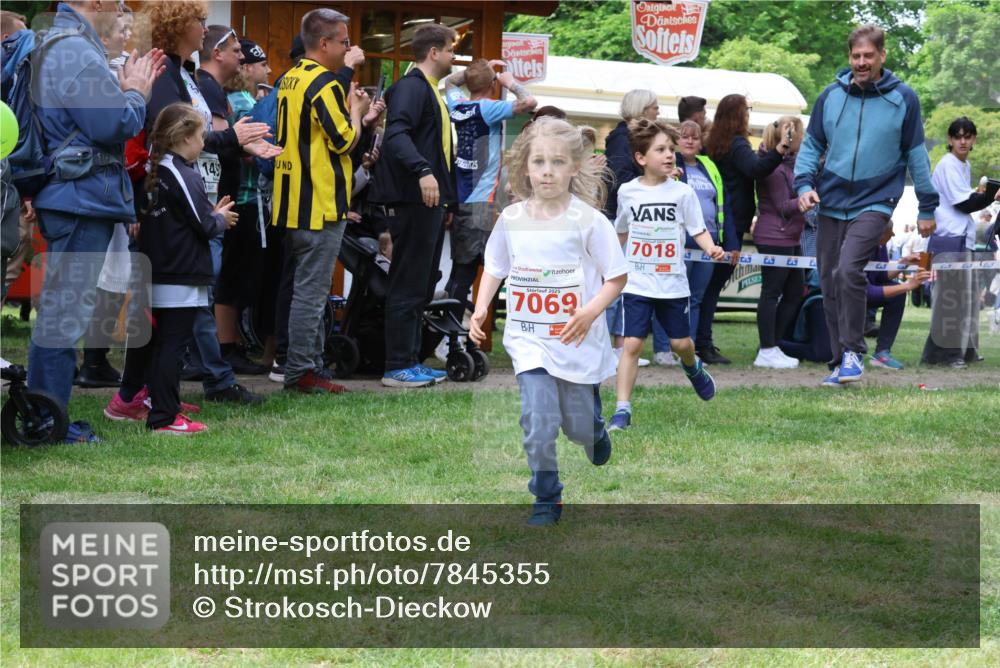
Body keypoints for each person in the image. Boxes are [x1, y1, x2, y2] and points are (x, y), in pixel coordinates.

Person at [468, 118, 627, 526]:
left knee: (576, 430)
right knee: (537, 420)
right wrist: (482, 307)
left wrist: (590, 311)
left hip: (575, 341)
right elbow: (495, 266)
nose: (547, 170)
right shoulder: (513, 218)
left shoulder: (590, 221)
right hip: (529, 341)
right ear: (525, 168)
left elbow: (616, 277)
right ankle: (546, 495)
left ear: (575, 166)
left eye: (557, 162)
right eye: (538, 162)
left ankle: (594, 431)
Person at [26, 0, 166, 443]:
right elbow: (114, 123)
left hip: (78, 195)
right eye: (120, 2)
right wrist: (135, 93)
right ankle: (47, 421)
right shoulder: (74, 49)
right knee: (65, 314)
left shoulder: (68, 44)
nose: (123, 10)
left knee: (64, 311)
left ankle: (47, 415)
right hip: (79, 198)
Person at [143, 1, 275, 404]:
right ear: (179, 25)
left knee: (197, 296)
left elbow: (196, 138)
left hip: (197, 195)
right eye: (200, 22)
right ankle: (192, 385)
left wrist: (235, 139)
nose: (205, 28)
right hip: (181, 197)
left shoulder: (185, 74)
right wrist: (233, 139)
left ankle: (180, 385)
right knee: (192, 295)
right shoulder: (168, 73)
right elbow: (170, 138)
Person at [795, 25, 940, 385]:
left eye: (868, 56)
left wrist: (926, 206)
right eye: (856, 56)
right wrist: (803, 185)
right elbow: (812, 145)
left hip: (876, 200)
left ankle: (853, 352)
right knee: (827, 280)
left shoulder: (903, 98)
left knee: (848, 270)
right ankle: (837, 361)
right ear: (850, 58)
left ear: (882, 56)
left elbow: (916, 154)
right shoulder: (830, 96)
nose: (862, 63)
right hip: (830, 201)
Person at [106, 103, 236, 433]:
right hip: (180, 272)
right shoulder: (182, 174)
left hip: (162, 270)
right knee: (172, 346)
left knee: (158, 342)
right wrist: (220, 218)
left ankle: (145, 401)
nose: (204, 143)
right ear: (183, 137)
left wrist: (211, 215)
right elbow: (205, 226)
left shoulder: (158, 171)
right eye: (201, 136)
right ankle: (164, 416)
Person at [271, 7, 369, 394]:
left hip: (291, 199)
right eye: (344, 42)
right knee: (311, 295)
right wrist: (357, 112)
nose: (348, 48)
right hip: (321, 202)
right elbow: (344, 139)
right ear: (324, 43)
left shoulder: (290, 78)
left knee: (301, 289)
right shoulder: (324, 83)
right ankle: (300, 372)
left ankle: (306, 366)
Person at [609, 119, 723, 432]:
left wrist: (711, 248)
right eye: (660, 149)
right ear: (641, 158)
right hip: (638, 282)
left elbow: (697, 228)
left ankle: (693, 366)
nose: (669, 155)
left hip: (672, 283)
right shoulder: (628, 192)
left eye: (670, 149)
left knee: (680, 343)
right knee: (631, 344)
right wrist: (603, 260)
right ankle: (622, 410)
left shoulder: (683, 193)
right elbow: (620, 231)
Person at [369, 23, 457, 388]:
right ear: (433, 52)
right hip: (411, 200)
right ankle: (396, 366)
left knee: (421, 283)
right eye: (451, 49)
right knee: (407, 283)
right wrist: (422, 170)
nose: (455, 55)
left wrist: (446, 196)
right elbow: (396, 135)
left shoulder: (431, 89)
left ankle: (410, 360)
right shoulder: (411, 87)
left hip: (431, 203)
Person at [441, 58, 535, 324]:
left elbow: (449, 82)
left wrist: (476, 71)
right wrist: (510, 83)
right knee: (487, 268)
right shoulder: (489, 108)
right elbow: (530, 103)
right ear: (493, 85)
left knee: (463, 269)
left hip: (463, 198)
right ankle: (459, 331)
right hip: (481, 201)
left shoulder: (457, 104)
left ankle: (451, 330)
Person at [701, 94, 792, 365]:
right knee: (713, 286)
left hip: (716, 219)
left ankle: (701, 341)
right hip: (734, 220)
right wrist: (781, 149)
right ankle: (702, 344)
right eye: (747, 110)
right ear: (739, 115)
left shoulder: (714, 142)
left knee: (707, 287)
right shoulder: (738, 143)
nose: (749, 115)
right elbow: (755, 169)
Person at [920, 117, 999, 367]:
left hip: (961, 238)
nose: (963, 141)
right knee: (950, 300)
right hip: (947, 239)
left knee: (966, 299)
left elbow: (967, 199)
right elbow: (963, 203)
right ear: (950, 140)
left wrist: (985, 195)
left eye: (967, 136)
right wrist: (991, 196)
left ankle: (959, 352)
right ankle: (946, 355)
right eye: (958, 136)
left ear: (974, 139)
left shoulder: (963, 165)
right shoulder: (949, 164)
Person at [603, 89, 664, 365]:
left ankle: (620, 344)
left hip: (630, 219)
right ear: (641, 109)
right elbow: (619, 178)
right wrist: (648, 177)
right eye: (654, 106)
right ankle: (606, 345)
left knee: (627, 283)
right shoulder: (621, 138)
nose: (658, 111)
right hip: (619, 219)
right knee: (614, 282)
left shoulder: (634, 138)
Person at [675, 120, 733, 365]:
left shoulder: (708, 166)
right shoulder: (670, 165)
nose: (690, 141)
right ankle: (669, 349)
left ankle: (692, 350)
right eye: (685, 137)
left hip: (708, 242)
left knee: (697, 298)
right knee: (676, 297)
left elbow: (724, 202)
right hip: (680, 242)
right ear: (676, 141)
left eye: (695, 138)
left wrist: (726, 240)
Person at [752, 117, 806, 369]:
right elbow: (784, 206)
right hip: (775, 236)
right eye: (800, 136)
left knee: (795, 292)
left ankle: (774, 344)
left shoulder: (791, 164)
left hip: (791, 236)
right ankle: (766, 349)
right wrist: (806, 201)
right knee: (772, 292)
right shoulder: (773, 167)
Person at [865, 228, 931, 370]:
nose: (893, 235)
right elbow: (866, 293)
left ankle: (882, 353)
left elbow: (881, 277)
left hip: (863, 294)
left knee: (897, 294)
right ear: (879, 232)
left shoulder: (880, 246)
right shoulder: (859, 247)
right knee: (900, 291)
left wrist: (903, 263)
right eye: (890, 231)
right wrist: (908, 285)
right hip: (845, 298)